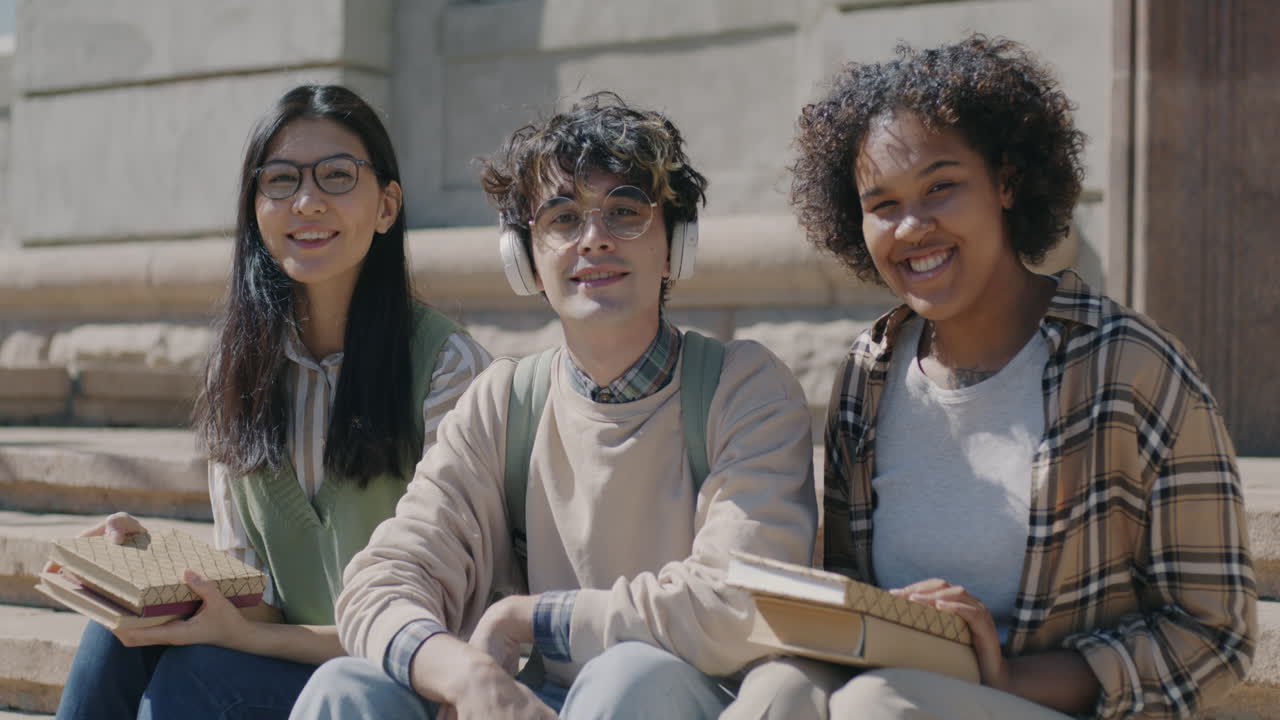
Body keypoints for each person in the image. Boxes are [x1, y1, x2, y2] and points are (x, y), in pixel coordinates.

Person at [725, 34, 1255, 720]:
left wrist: (1005, 676)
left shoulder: (1129, 367)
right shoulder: (868, 373)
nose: (912, 227)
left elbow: (1215, 633)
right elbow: (848, 582)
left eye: (941, 187)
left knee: (877, 707)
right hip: (890, 690)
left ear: (1005, 181)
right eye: (882, 203)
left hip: (1043, 706)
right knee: (779, 691)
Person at [288, 92, 818, 720]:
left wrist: (529, 618)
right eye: (562, 219)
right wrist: (465, 676)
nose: (592, 240)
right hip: (532, 703)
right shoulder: (505, 402)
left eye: (624, 212)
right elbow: (379, 582)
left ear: (677, 243)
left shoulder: (745, 388)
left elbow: (739, 601)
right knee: (344, 688)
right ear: (525, 260)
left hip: (679, 697)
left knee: (627, 675)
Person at [53, 84, 491, 720]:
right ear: (255, 210)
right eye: (280, 181)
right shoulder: (238, 376)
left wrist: (251, 638)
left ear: (387, 206)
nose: (307, 202)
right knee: (120, 628)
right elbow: (258, 600)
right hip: (288, 671)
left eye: (338, 176)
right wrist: (158, 569)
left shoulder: (447, 369)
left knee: (193, 679)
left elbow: (445, 629)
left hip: (396, 688)